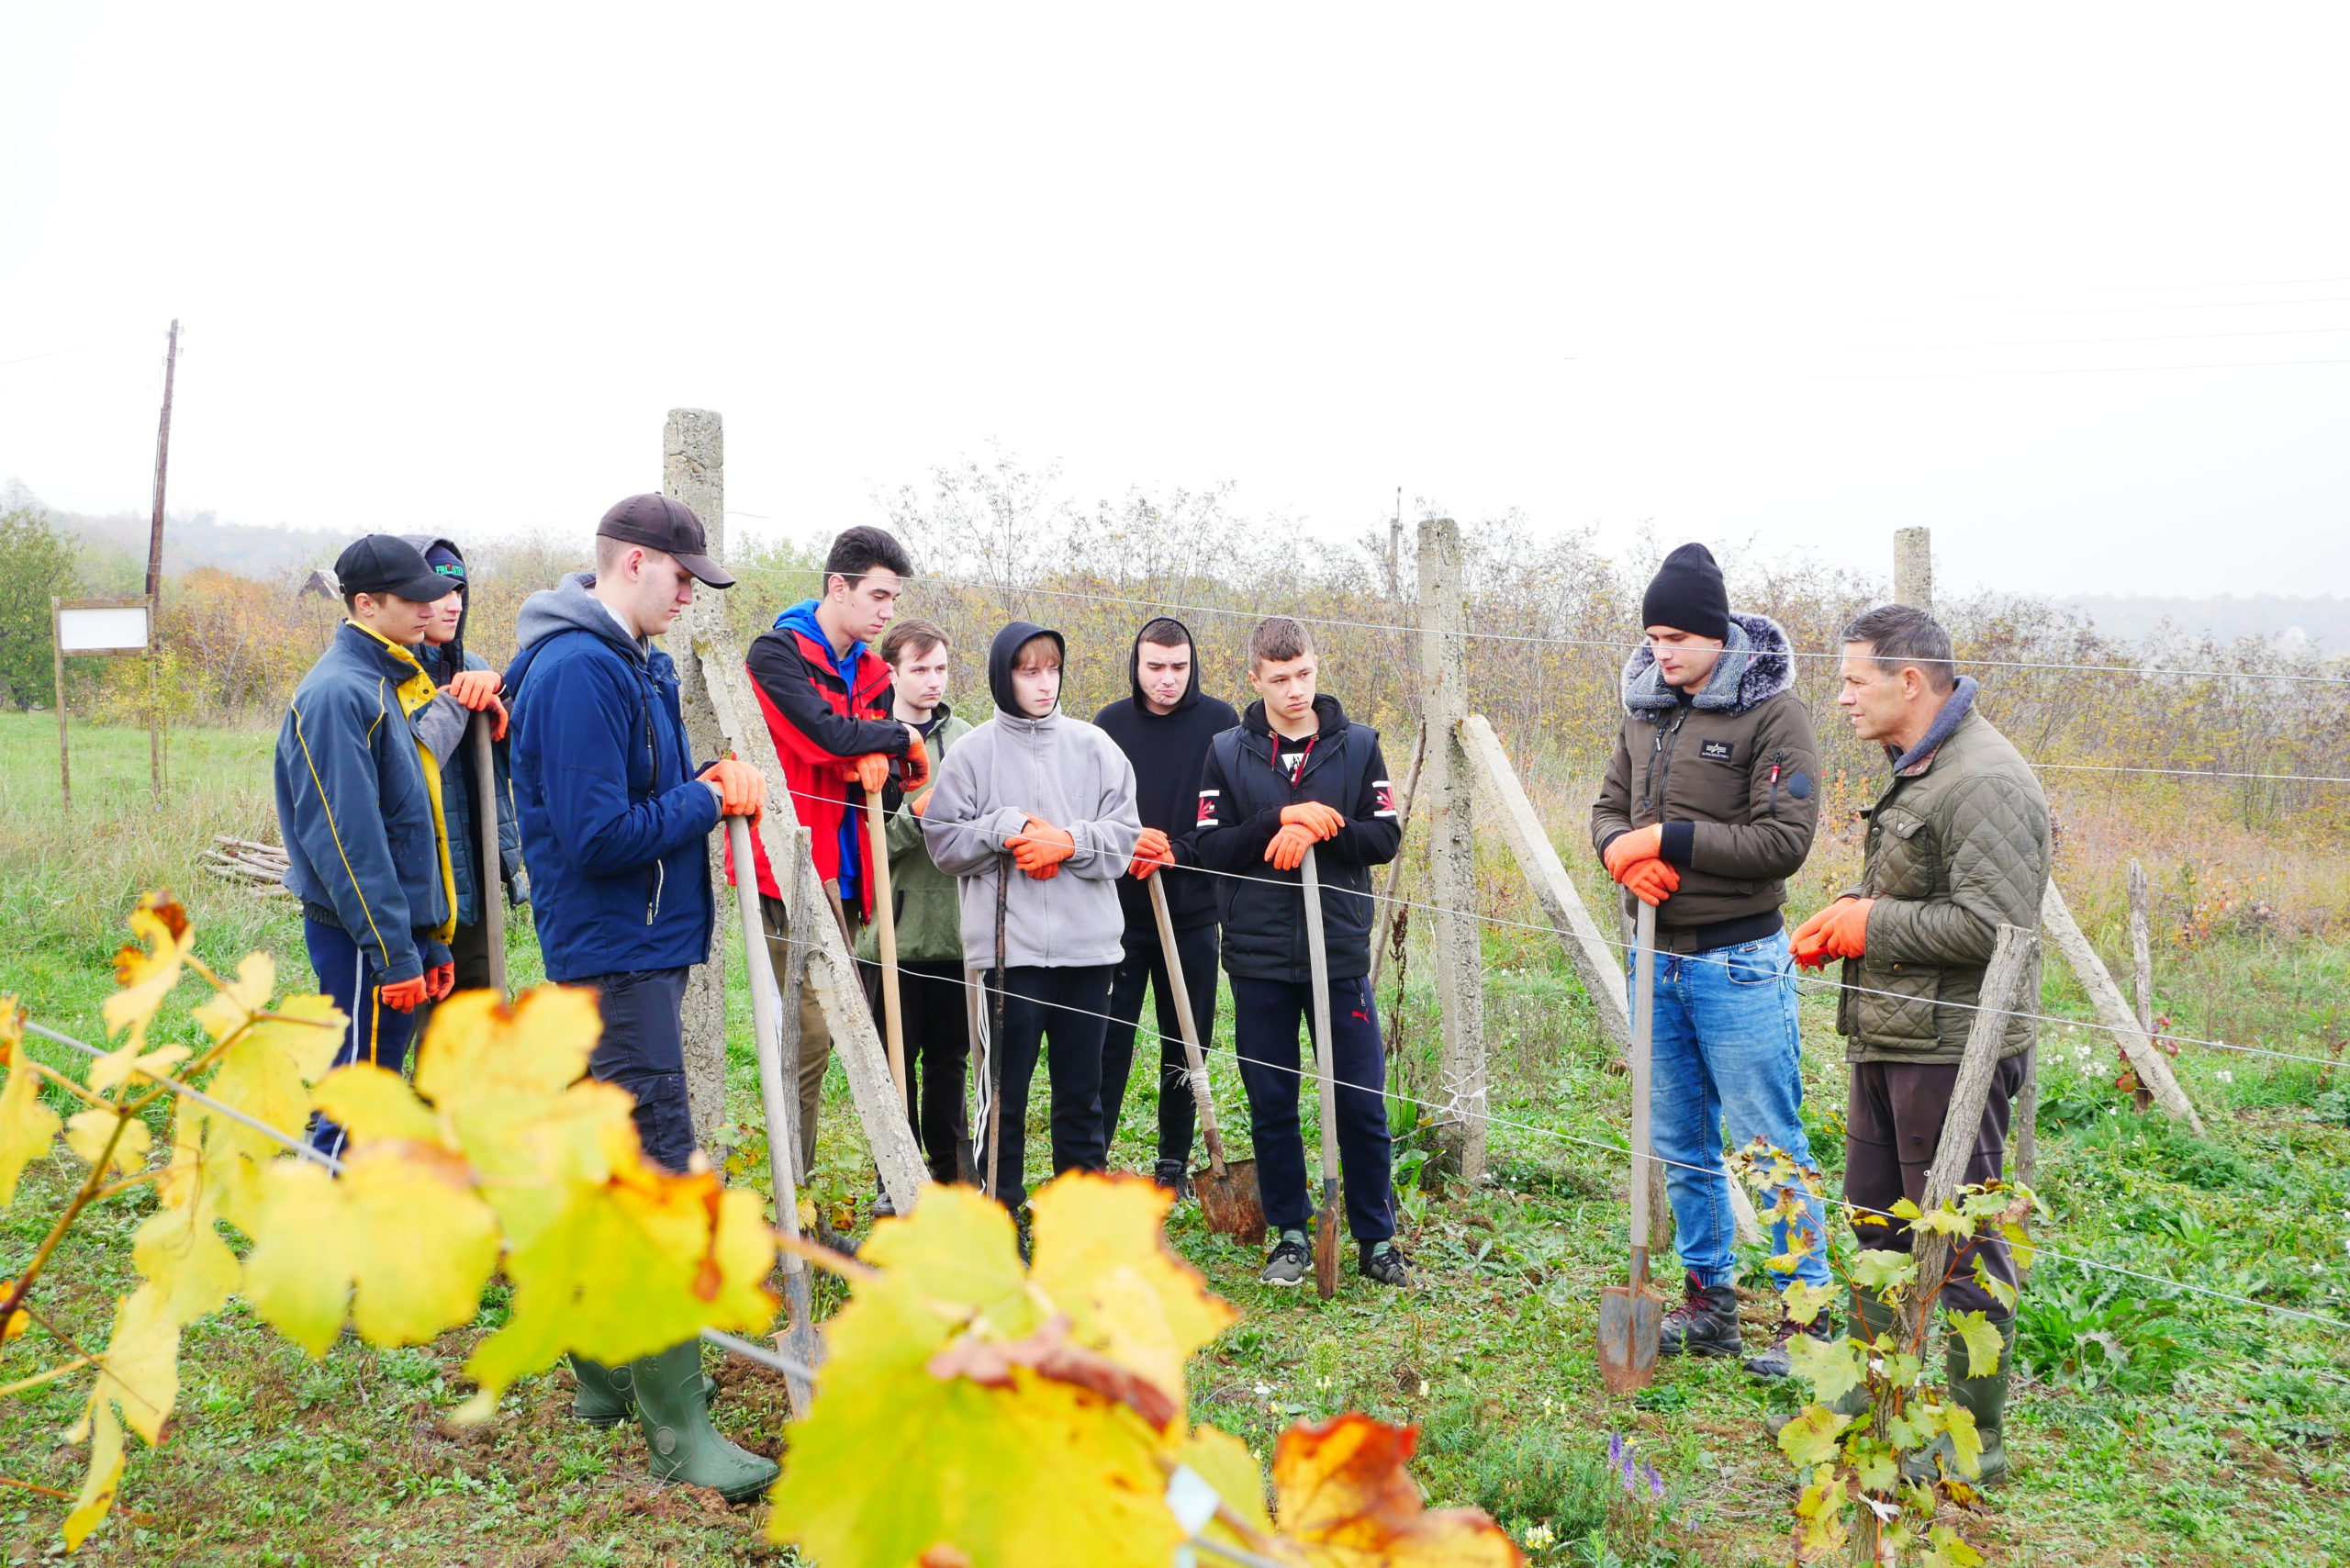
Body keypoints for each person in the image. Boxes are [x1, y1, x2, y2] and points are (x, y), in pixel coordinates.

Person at [503, 492, 775, 1502]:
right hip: (614, 957)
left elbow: (632, 786)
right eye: (681, 579)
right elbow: (595, 833)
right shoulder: (580, 670)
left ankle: (600, 1365)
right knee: (658, 1174)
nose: (691, 599)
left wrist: (695, 774)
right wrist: (708, 796)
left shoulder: (627, 660)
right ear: (630, 564)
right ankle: (680, 1431)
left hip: (632, 948)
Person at [1791, 602, 2051, 1485]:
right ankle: (1871, 1411)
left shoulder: (1985, 779)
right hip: (1891, 1042)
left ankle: (1974, 1444)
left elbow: (1997, 925)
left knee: (1964, 1249)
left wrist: (1870, 922)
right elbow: (1928, 897)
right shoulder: (1921, 765)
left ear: (1910, 681)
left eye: (1853, 681)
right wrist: (1854, 923)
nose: (1840, 699)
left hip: (1951, 1055)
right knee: (1876, 1232)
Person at [1588, 542, 1831, 1378]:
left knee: (1766, 1142)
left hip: (1737, 963)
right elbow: (1605, 807)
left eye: (1677, 637)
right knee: (1677, 1140)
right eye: (1653, 636)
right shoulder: (1644, 707)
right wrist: (1622, 849)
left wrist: (1671, 841)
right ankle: (1708, 1303)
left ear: (1717, 634)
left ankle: (1811, 1321)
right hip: (1653, 958)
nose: (1662, 651)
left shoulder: (1774, 715)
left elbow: (1784, 839)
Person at [1184, 617, 1407, 1289]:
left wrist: (1323, 827)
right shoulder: (1227, 751)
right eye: (1278, 679)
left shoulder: (1358, 745)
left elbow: (1385, 836)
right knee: (1272, 1097)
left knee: (1361, 1099)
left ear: (1317, 666)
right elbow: (1210, 848)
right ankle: (1289, 1231)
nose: (1294, 690)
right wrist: (1275, 821)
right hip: (1258, 957)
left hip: (1336, 951)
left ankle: (1375, 1237)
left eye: (1304, 673)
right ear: (1255, 678)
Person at [921, 622, 1140, 1222]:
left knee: (1081, 1098)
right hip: (1006, 956)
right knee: (1003, 1097)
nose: (1044, 684)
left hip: (1087, 954)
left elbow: (1124, 839)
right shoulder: (972, 755)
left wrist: (1068, 841)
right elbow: (942, 841)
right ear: (1003, 675)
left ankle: (1078, 1222)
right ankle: (1001, 1215)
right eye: (1028, 671)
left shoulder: (1096, 750)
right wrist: (1001, 828)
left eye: (1052, 670)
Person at [742, 525, 928, 1177]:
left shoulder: (875, 672)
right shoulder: (776, 653)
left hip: (847, 872)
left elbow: (884, 778)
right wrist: (898, 734)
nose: (886, 612)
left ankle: (815, 1191)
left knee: (842, 1028)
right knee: (810, 1035)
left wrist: (889, 760)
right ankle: (796, 1202)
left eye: (893, 599)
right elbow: (820, 736)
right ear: (836, 587)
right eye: (877, 596)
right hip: (787, 867)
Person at [274, 535, 461, 1160]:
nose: (429, 608)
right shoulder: (338, 695)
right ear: (365, 604)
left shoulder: (389, 681)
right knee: (355, 1107)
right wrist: (392, 953)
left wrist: (427, 938)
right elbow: (348, 841)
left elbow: (408, 827)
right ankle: (316, 1253)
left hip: (392, 937)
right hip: (361, 941)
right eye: (413, 599)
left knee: (375, 1098)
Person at [1092, 617, 1241, 1193]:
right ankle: (1094, 1153)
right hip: (1119, 911)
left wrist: (1177, 851)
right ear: (1136, 665)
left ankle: (1174, 1161)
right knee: (1110, 1036)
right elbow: (1095, 806)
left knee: (1187, 1036)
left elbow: (1226, 815)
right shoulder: (1109, 724)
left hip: (1193, 909)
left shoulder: (1219, 723)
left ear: (1192, 665)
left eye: (1178, 667)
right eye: (1155, 667)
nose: (1167, 679)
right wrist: (1124, 842)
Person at [851, 617, 974, 1196]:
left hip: (956, 932)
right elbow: (860, 848)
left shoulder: (970, 741)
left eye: (941, 668)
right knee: (893, 1067)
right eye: (919, 669)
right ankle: (894, 1182)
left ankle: (951, 1179)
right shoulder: (866, 740)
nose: (932, 680)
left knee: (950, 1062)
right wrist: (914, 817)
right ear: (892, 673)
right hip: (890, 936)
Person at [399, 536, 523, 1000]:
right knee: (408, 1023)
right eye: (437, 592)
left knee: (474, 1022)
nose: (452, 605)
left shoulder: (474, 666)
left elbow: (522, 759)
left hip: (477, 873)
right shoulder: (385, 673)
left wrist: (501, 694)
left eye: (459, 592)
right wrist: (452, 704)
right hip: (419, 885)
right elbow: (404, 764)